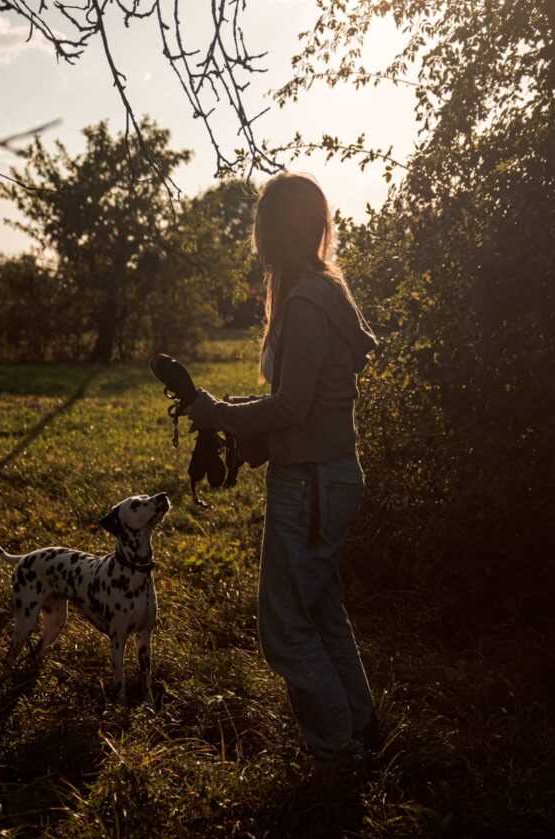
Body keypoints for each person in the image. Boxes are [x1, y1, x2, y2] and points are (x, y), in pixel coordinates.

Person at [185, 172, 380, 761]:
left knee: (284, 629)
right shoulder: (327, 291)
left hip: (311, 483)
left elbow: (294, 404)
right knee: (321, 612)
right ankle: (364, 733)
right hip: (330, 474)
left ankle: (338, 753)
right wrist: (239, 419)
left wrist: (219, 414)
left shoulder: (303, 301)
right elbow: (310, 401)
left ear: (272, 232)